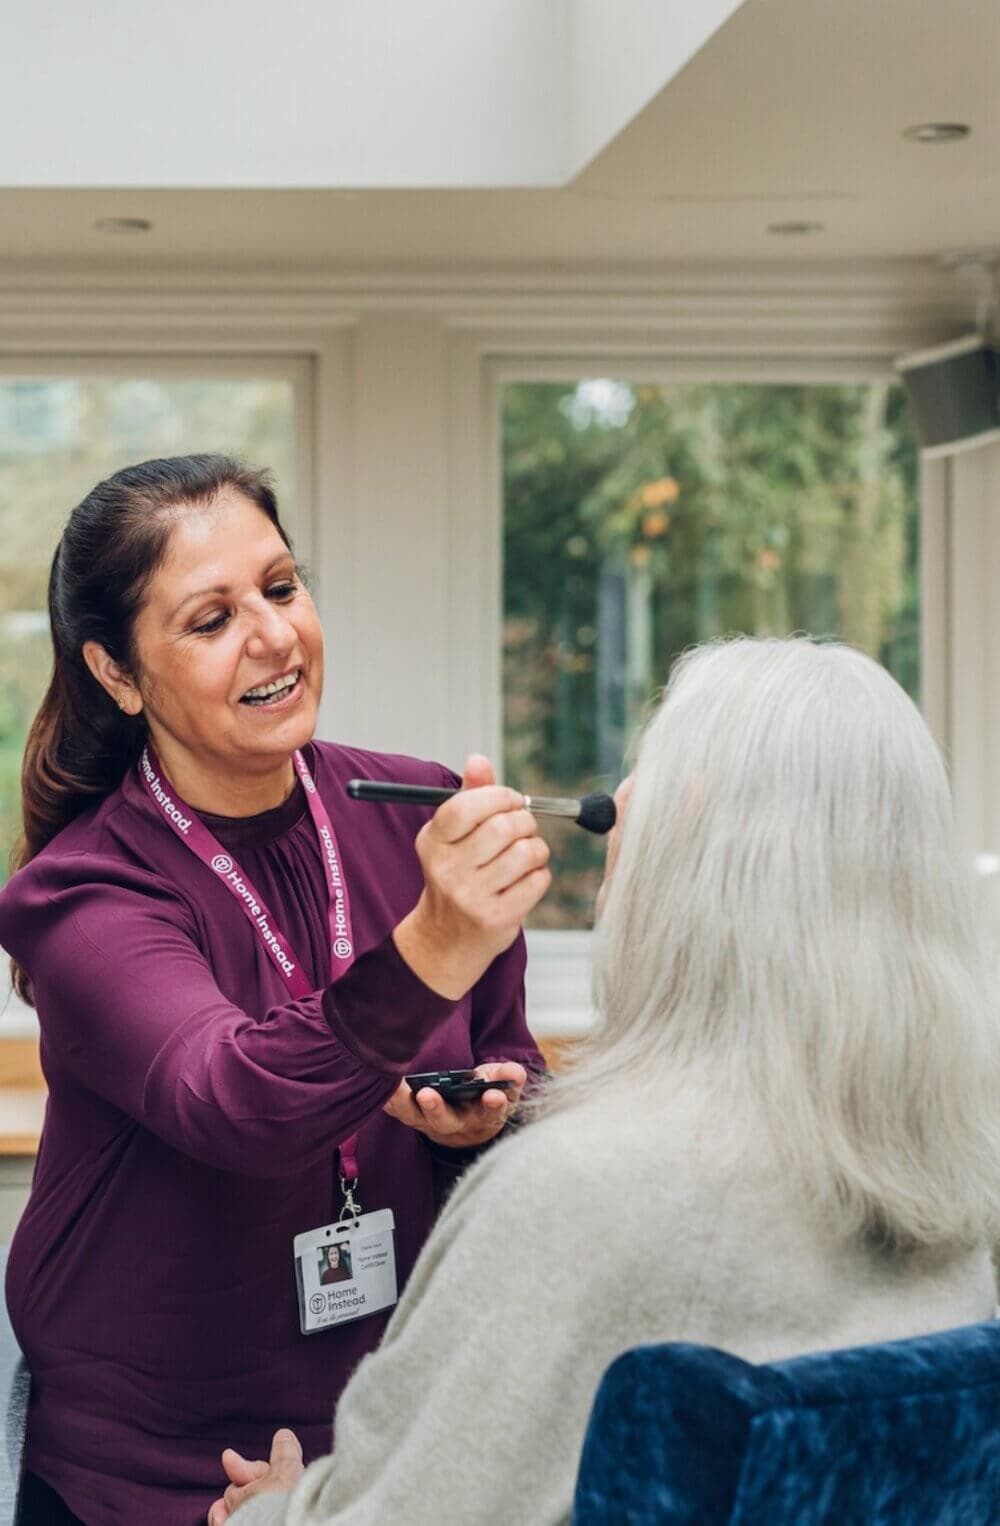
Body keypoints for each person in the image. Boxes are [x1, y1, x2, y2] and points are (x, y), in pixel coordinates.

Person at [211, 637, 1000, 1526]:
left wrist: (271, 1512)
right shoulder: (964, 1192)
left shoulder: (573, 1197)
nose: (614, 807)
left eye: (642, 779)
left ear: (684, 834)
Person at [0, 454, 550, 1525]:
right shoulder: (80, 890)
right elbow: (233, 1100)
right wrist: (436, 939)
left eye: (282, 586)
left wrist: (484, 1115)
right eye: (210, 619)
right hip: (155, 1473)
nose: (273, 635)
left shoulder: (418, 808)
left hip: (384, 1444)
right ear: (117, 673)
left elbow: (510, 1055)